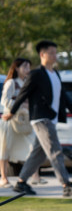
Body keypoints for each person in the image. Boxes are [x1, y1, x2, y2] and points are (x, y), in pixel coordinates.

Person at [2, 40, 72, 197]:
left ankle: (21, 183)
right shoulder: (36, 74)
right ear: (42, 54)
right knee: (55, 151)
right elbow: (23, 94)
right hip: (41, 118)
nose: (55, 56)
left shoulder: (55, 74)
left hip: (51, 118)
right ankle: (66, 184)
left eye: (56, 53)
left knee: (38, 154)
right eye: (52, 53)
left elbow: (63, 96)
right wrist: (12, 112)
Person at [1, 58, 44, 187]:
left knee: (33, 147)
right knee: (5, 149)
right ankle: (4, 178)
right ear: (17, 68)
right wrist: (22, 105)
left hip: (25, 121)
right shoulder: (11, 83)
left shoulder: (27, 82)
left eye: (28, 67)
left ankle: (35, 176)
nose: (27, 70)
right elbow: (5, 101)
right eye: (25, 67)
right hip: (10, 121)